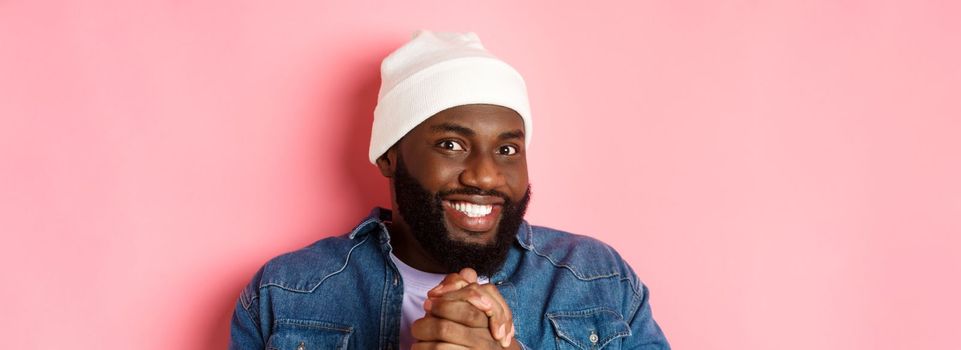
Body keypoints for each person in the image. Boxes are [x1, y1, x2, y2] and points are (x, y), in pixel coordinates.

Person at [229, 30, 670, 350]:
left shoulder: (597, 279)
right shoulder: (285, 294)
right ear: (389, 155)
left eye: (507, 148)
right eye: (451, 144)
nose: (485, 176)